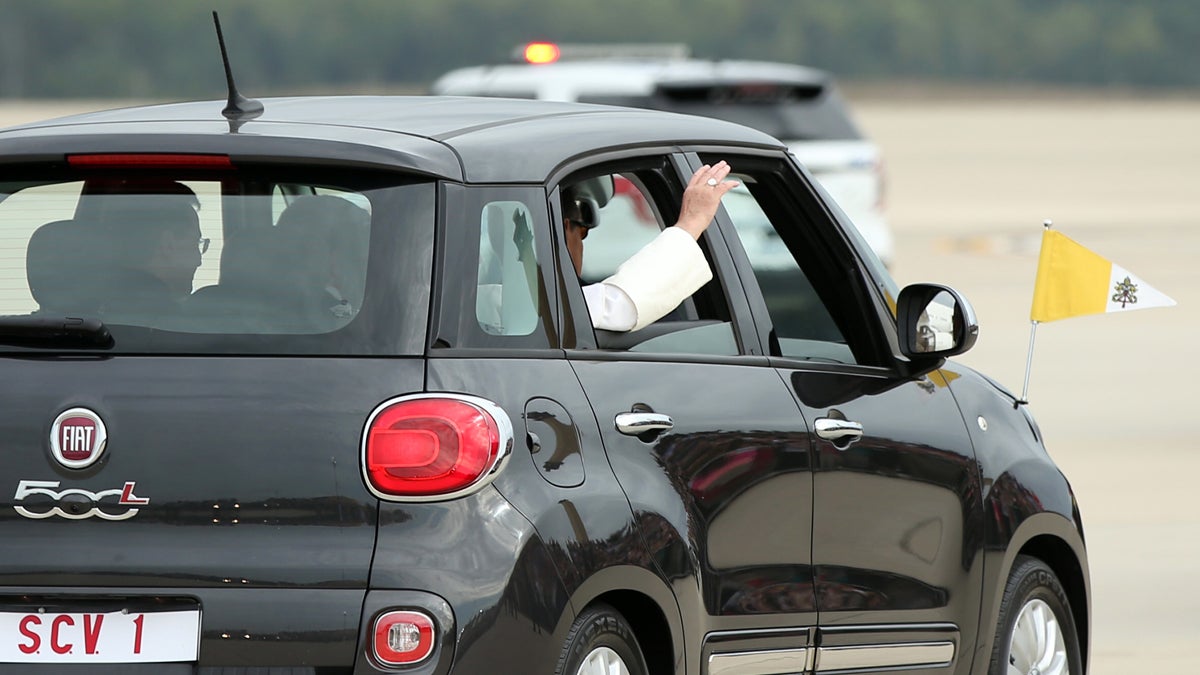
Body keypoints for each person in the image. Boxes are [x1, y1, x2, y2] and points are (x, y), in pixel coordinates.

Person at [563, 161, 738, 332]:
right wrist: (692, 222)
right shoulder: (553, 306)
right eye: (583, 230)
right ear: (564, 228)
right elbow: (617, 308)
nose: (582, 241)